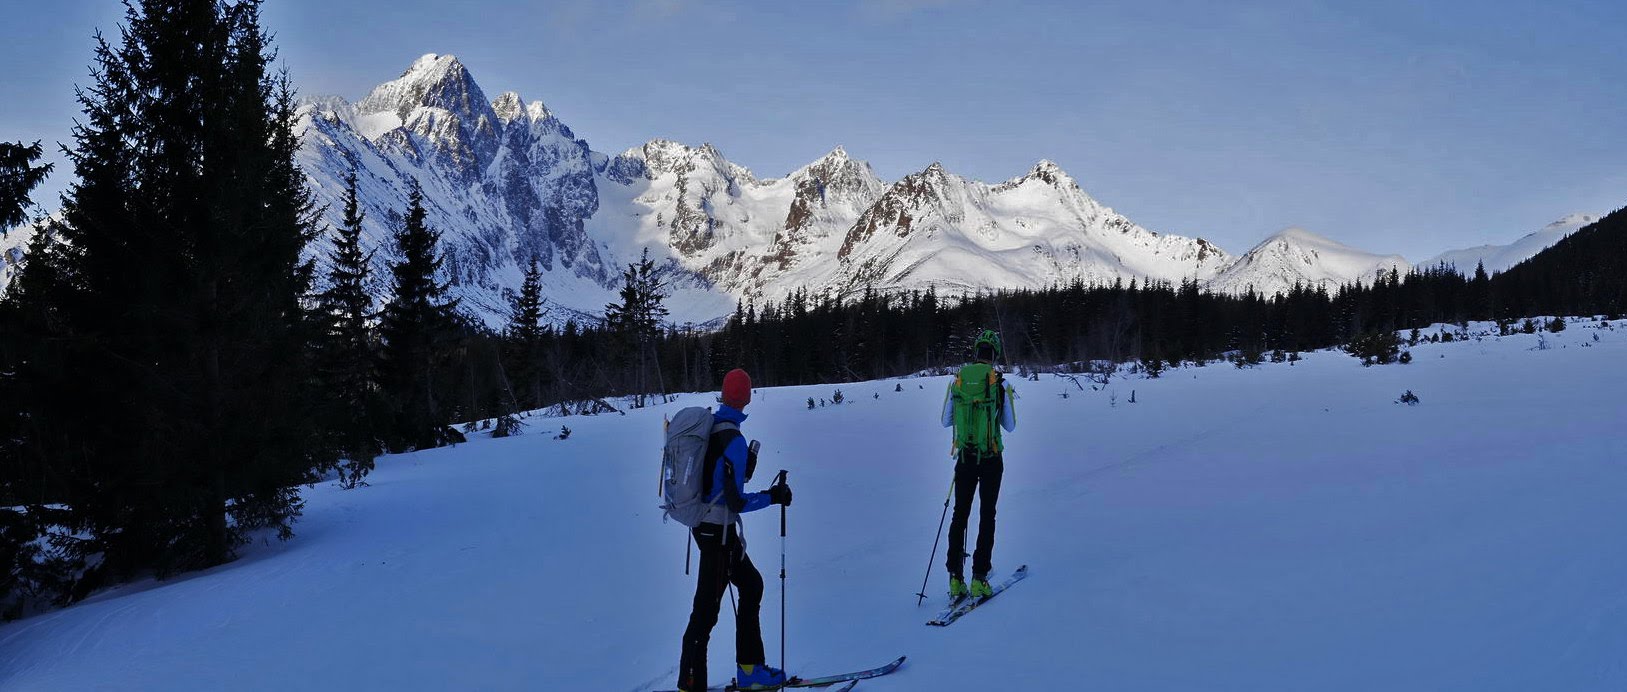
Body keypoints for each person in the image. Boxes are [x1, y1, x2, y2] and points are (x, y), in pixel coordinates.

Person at [678, 368, 795, 692]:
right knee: (705, 613)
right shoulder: (734, 439)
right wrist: (773, 497)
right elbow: (737, 502)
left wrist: (742, 474)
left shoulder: (712, 427)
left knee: (751, 585)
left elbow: (719, 482)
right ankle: (691, 683)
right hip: (719, 535)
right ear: (747, 397)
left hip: (708, 529)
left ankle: (749, 670)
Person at [940, 329, 1017, 599]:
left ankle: (954, 577)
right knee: (987, 515)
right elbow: (1010, 426)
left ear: (976, 352)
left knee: (960, 514)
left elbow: (945, 421)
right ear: (994, 354)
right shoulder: (1000, 383)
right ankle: (979, 577)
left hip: (964, 458)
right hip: (991, 459)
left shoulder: (959, 379)